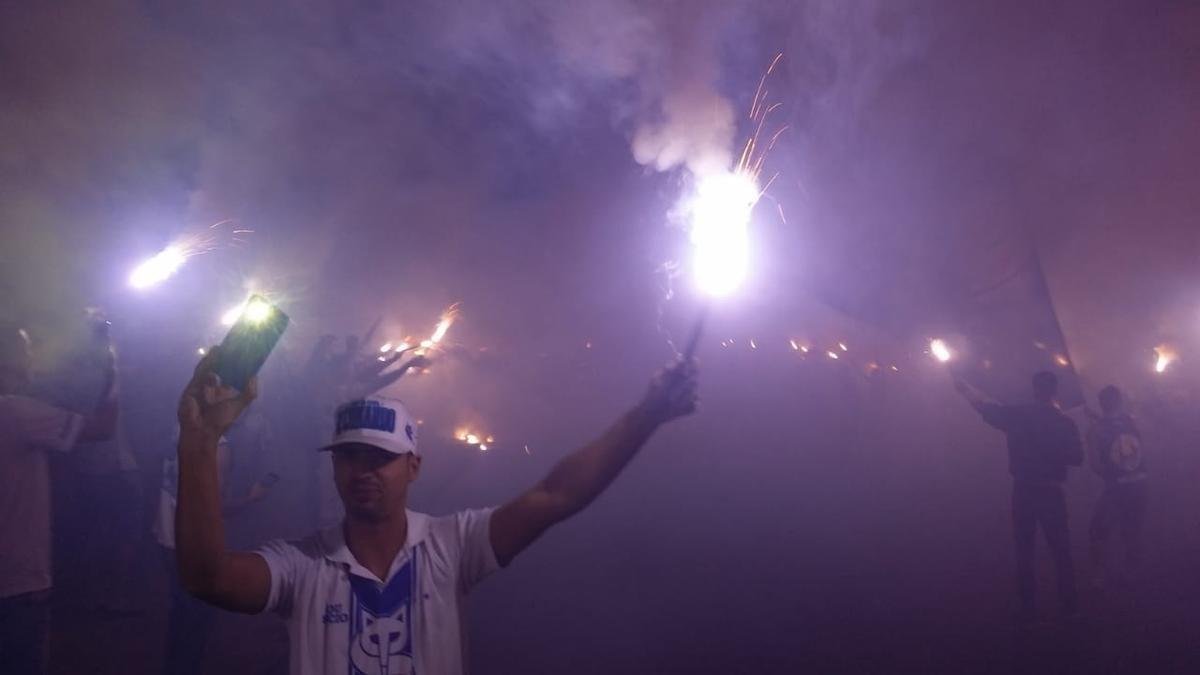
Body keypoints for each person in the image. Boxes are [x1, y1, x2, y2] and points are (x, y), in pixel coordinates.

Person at [175, 345, 697, 675]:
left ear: (414, 468)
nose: (364, 471)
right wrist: (198, 443)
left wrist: (646, 416)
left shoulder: (452, 546)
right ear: (334, 468)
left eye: (381, 458)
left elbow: (557, 495)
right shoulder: (302, 567)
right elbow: (208, 578)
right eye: (350, 456)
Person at [0, 321, 118, 674]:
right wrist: (113, 368)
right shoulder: (14, 412)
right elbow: (102, 427)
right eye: (26, 346)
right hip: (17, 580)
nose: (33, 353)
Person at [956, 371, 1083, 623]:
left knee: (1024, 550)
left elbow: (985, 409)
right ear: (1054, 391)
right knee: (1061, 550)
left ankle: (1028, 607)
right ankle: (1070, 607)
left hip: (1024, 490)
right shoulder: (1064, 423)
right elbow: (1077, 459)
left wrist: (964, 389)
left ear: (1034, 389)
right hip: (1051, 491)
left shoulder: (1018, 416)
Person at [154, 426, 274, 675]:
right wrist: (252, 498)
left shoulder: (178, 430)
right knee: (196, 623)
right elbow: (215, 507)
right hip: (194, 546)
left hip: (166, 536)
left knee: (180, 617)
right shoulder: (217, 446)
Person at [1086, 385, 1148, 588]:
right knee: (1132, 529)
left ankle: (1099, 575)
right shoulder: (1132, 422)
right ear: (1119, 401)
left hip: (1116, 487)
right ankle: (1134, 571)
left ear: (1101, 403)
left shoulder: (1095, 430)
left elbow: (1096, 464)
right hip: (1139, 484)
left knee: (1098, 530)